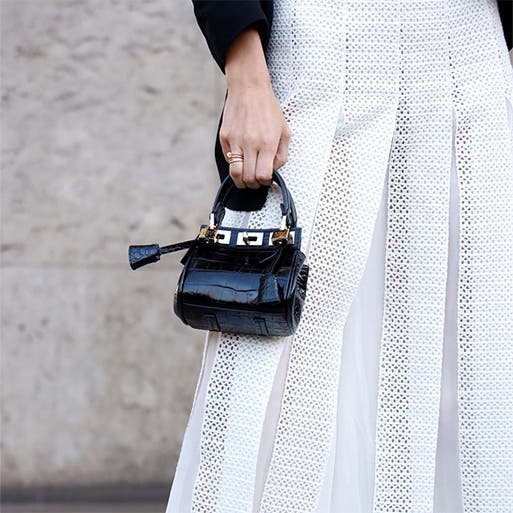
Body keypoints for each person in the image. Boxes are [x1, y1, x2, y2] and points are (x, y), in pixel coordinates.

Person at [165, 1, 513, 512]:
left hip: (470, 62)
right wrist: (247, 81)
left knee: (477, 364)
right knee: (274, 358)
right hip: (320, 50)